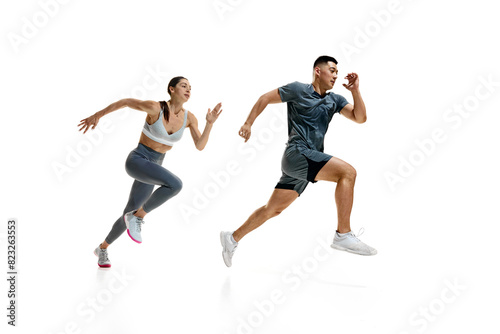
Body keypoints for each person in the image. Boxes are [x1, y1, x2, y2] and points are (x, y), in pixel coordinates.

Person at [220, 56, 376, 267]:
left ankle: (232, 238)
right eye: (332, 70)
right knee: (347, 173)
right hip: (297, 154)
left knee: (272, 209)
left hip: (306, 161)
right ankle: (343, 234)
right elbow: (265, 98)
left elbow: (360, 117)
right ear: (318, 71)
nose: (336, 75)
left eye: (337, 72)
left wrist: (355, 91)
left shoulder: (334, 100)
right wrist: (248, 123)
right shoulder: (298, 90)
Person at [78, 76, 222, 268]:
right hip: (138, 160)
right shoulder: (155, 108)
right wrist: (97, 115)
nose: (188, 89)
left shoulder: (190, 118)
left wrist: (209, 123)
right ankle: (138, 217)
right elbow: (126, 102)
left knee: (128, 212)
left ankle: (102, 248)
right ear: (171, 89)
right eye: (183, 86)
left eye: (190, 87)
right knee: (175, 185)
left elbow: (200, 145)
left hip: (154, 169)